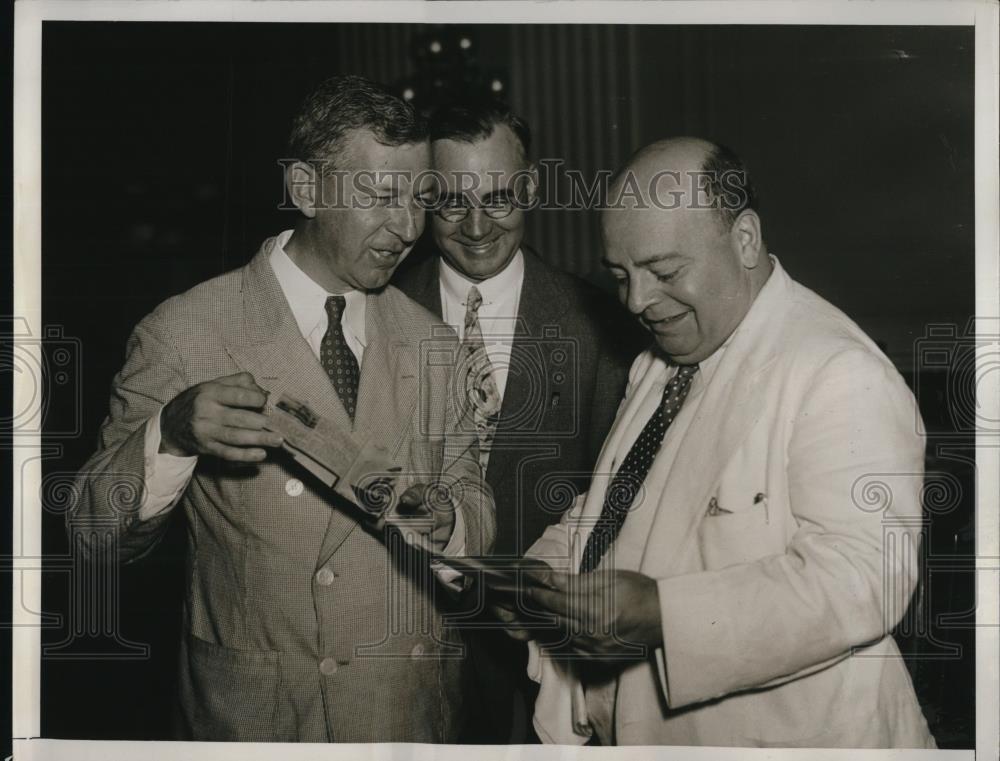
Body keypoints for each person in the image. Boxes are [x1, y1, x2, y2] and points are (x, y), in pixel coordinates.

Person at [69, 74, 494, 743]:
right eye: (381, 196)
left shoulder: (434, 342)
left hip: (407, 715)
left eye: (420, 198)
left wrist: (454, 525)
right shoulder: (184, 332)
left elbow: (473, 492)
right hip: (258, 723)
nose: (409, 228)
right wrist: (169, 435)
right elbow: (90, 533)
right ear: (305, 189)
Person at [498, 137, 937, 748]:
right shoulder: (664, 359)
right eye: (622, 276)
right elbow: (615, 509)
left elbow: (864, 579)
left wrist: (664, 615)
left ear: (745, 239)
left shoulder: (838, 371)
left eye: (664, 272)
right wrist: (544, 571)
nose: (637, 301)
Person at [393, 98, 643, 743]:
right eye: (451, 202)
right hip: (401, 657)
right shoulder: (376, 314)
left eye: (499, 198)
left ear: (529, 189)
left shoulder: (604, 328)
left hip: (543, 666)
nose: (477, 226)